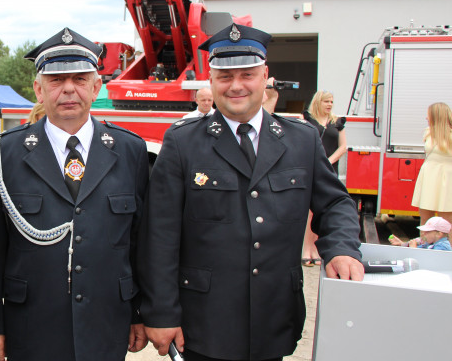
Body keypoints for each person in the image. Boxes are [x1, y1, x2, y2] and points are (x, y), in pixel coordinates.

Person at [139, 23, 364, 361]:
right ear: (211, 81)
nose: (236, 85)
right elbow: (159, 232)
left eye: (247, 74)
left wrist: (342, 249)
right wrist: (160, 312)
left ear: (265, 77)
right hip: (204, 323)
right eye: (225, 77)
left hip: (274, 316)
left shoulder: (301, 140)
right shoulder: (183, 142)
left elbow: (335, 203)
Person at [0, 27, 149, 361]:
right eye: (56, 80)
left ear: (96, 86)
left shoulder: (131, 150)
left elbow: (140, 242)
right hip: (29, 325)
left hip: (106, 321)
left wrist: (139, 313)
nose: (69, 89)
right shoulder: (7, 153)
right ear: (38, 90)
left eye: (80, 78)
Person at [301, 90, 348, 266]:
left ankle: (318, 249)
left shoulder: (338, 122)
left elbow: (343, 147)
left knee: (323, 210)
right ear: (318, 102)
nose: (329, 104)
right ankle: (307, 249)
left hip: (329, 170)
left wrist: (327, 162)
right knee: (309, 211)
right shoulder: (307, 118)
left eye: (331, 102)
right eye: (326, 101)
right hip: (310, 168)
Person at [411, 102, 452, 224]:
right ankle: (425, 243)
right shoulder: (428, 133)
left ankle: (447, 243)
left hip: (447, 178)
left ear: (436, 116)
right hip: (429, 176)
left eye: (428, 115)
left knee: (447, 221)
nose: (426, 118)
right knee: (425, 219)